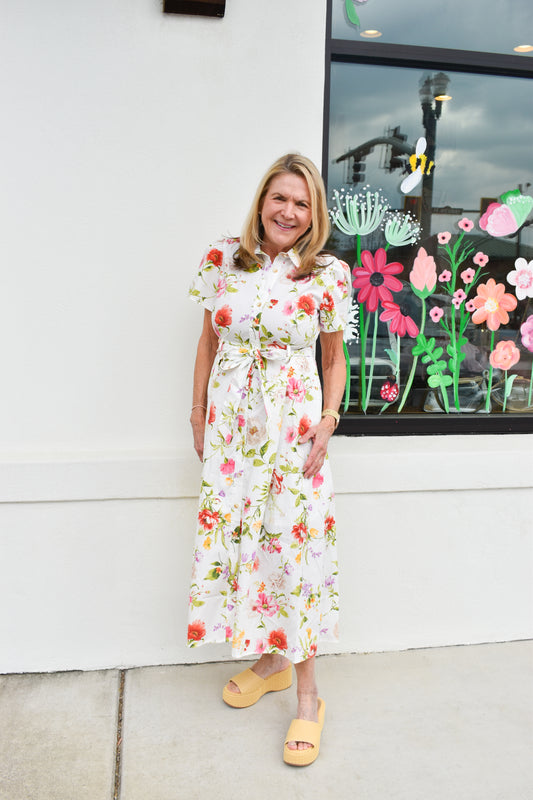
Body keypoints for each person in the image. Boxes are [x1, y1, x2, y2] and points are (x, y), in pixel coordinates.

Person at [187, 153, 350, 766]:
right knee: (245, 543)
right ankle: (273, 661)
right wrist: (197, 410)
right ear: (262, 201)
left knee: (293, 549)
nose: (288, 211)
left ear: (314, 216)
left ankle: (308, 698)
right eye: (279, 198)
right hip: (232, 432)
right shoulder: (222, 258)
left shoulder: (328, 274)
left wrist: (329, 423)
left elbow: (333, 360)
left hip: (293, 431)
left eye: (302, 203)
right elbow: (207, 340)